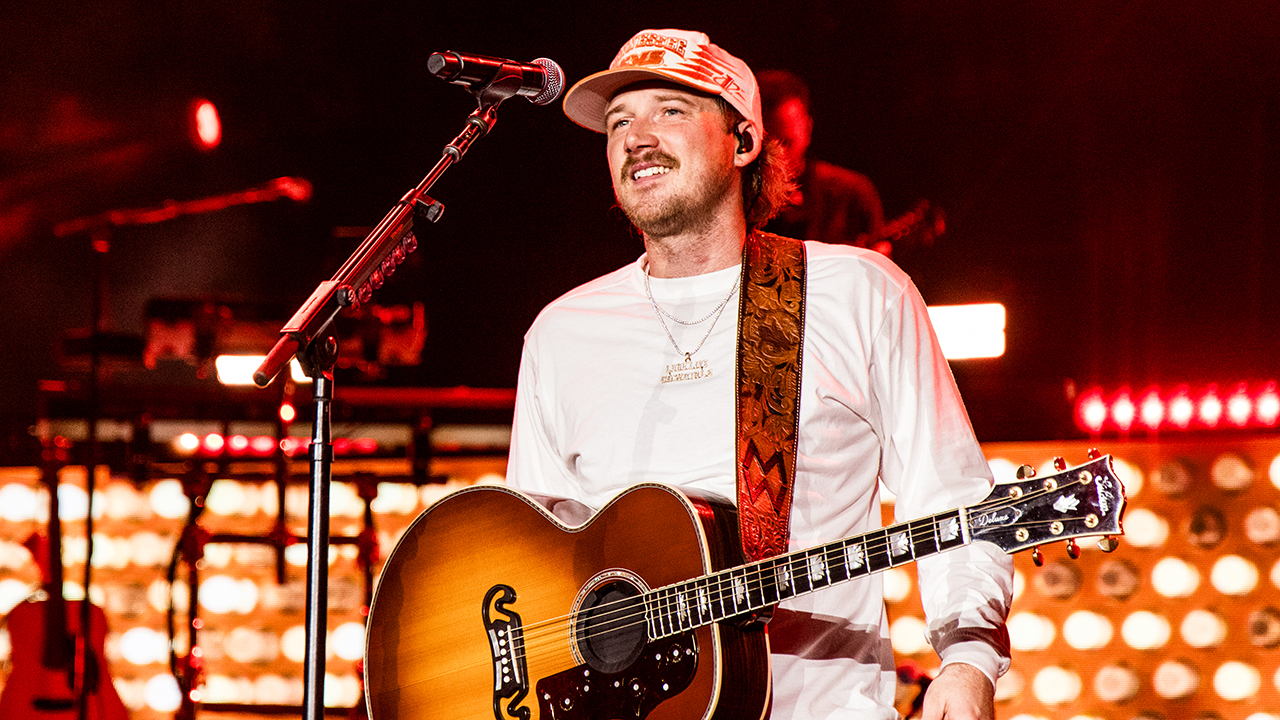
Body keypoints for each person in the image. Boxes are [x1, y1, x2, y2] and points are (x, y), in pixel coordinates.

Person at [506, 28, 1012, 720]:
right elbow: (531, 555)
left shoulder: (859, 293)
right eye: (618, 121)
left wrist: (969, 658)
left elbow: (951, 498)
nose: (636, 136)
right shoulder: (563, 333)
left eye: (671, 111)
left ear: (743, 142)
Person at [757, 68, 887, 250]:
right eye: (765, 145)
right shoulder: (734, 202)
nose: (777, 156)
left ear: (808, 131)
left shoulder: (852, 195)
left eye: (786, 143)